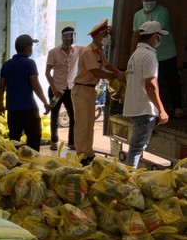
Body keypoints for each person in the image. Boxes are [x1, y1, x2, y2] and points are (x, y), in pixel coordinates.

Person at [72, 20, 125, 164]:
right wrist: (115, 76)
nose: (108, 36)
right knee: (82, 125)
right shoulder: (88, 51)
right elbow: (96, 72)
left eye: (108, 33)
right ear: (97, 36)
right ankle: (81, 155)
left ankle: (89, 152)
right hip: (81, 89)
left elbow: (107, 65)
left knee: (90, 124)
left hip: (90, 90)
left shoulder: (98, 50)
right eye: (105, 34)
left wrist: (119, 72)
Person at [130, 0, 183, 118]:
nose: (148, 2)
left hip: (166, 54)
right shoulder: (137, 15)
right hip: (148, 55)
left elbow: (155, 31)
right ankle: (155, 110)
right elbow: (135, 35)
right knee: (152, 83)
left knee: (172, 80)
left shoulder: (162, 12)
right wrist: (132, 56)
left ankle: (177, 107)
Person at [123, 21, 169, 168]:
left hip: (136, 107)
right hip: (144, 108)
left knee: (135, 147)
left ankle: (129, 177)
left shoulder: (136, 54)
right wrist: (161, 109)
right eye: (159, 36)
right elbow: (151, 85)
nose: (159, 40)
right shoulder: (149, 55)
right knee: (137, 149)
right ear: (155, 36)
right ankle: (128, 180)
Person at [0, 34, 51, 152]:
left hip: (12, 111)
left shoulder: (6, 64)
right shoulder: (29, 63)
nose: (32, 49)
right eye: (31, 46)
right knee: (33, 141)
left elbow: (1, 87)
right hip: (28, 110)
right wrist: (45, 102)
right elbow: (36, 86)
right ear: (27, 48)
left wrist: (1, 105)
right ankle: (31, 167)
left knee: (14, 142)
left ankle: (15, 167)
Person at [45, 27, 84, 151]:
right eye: (66, 36)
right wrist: (54, 88)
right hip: (55, 89)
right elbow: (47, 72)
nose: (69, 39)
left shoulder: (78, 50)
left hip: (70, 89)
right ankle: (54, 141)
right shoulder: (53, 52)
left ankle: (72, 142)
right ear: (62, 38)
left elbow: (92, 49)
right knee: (54, 115)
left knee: (73, 115)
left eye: (71, 36)